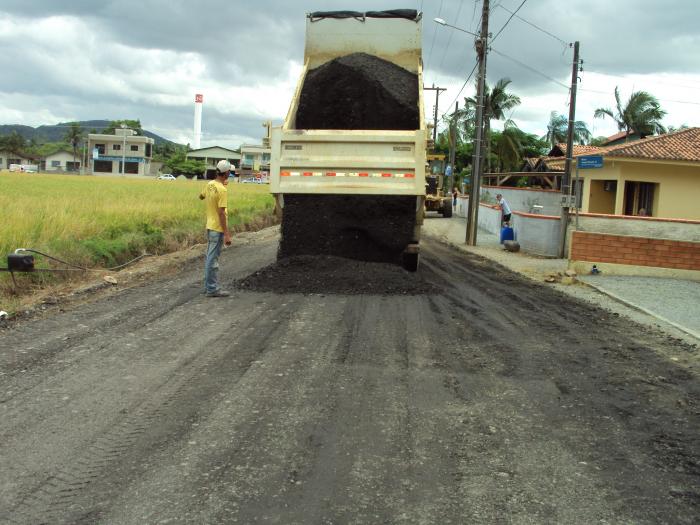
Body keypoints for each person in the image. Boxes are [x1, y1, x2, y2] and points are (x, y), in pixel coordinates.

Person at [201, 160, 232, 297]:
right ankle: (212, 289)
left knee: (209, 257)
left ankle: (208, 286)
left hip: (209, 226)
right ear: (226, 173)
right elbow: (221, 213)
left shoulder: (210, 184)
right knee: (213, 260)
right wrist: (226, 234)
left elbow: (201, 196)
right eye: (229, 172)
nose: (230, 173)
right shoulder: (222, 190)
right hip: (217, 228)